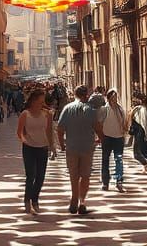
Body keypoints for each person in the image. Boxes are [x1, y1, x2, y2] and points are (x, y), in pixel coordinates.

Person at [56, 85, 102, 215]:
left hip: (71, 147)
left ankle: (74, 198)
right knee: (85, 176)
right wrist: (101, 139)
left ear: (75, 94)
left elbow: (60, 129)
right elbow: (98, 128)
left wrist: (62, 145)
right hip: (87, 147)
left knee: (74, 175)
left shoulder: (67, 108)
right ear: (86, 95)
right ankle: (82, 202)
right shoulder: (91, 110)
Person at [17, 88, 56, 213]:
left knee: (40, 176)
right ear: (33, 101)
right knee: (30, 175)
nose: (42, 104)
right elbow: (19, 132)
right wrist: (24, 140)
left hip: (42, 148)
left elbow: (49, 131)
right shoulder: (25, 114)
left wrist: (52, 146)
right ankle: (27, 200)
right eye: (40, 101)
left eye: (43, 101)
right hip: (29, 148)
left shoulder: (47, 114)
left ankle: (35, 199)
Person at [97, 89, 129, 192]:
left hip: (119, 138)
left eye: (116, 96)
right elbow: (99, 123)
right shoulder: (104, 109)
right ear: (109, 98)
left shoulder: (120, 109)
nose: (115, 99)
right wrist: (100, 136)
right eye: (113, 97)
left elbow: (124, 122)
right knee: (105, 160)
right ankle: (105, 183)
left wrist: (125, 130)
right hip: (107, 137)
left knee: (118, 160)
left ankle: (119, 182)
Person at [129, 95, 147, 172]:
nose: (134, 101)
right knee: (137, 152)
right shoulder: (137, 109)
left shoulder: (142, 109)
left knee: (137, 153)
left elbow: (144, 123)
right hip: (137, 132)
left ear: (140, 100)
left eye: (135, 99)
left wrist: (146, 134)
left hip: (140, 132)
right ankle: (146, 165)